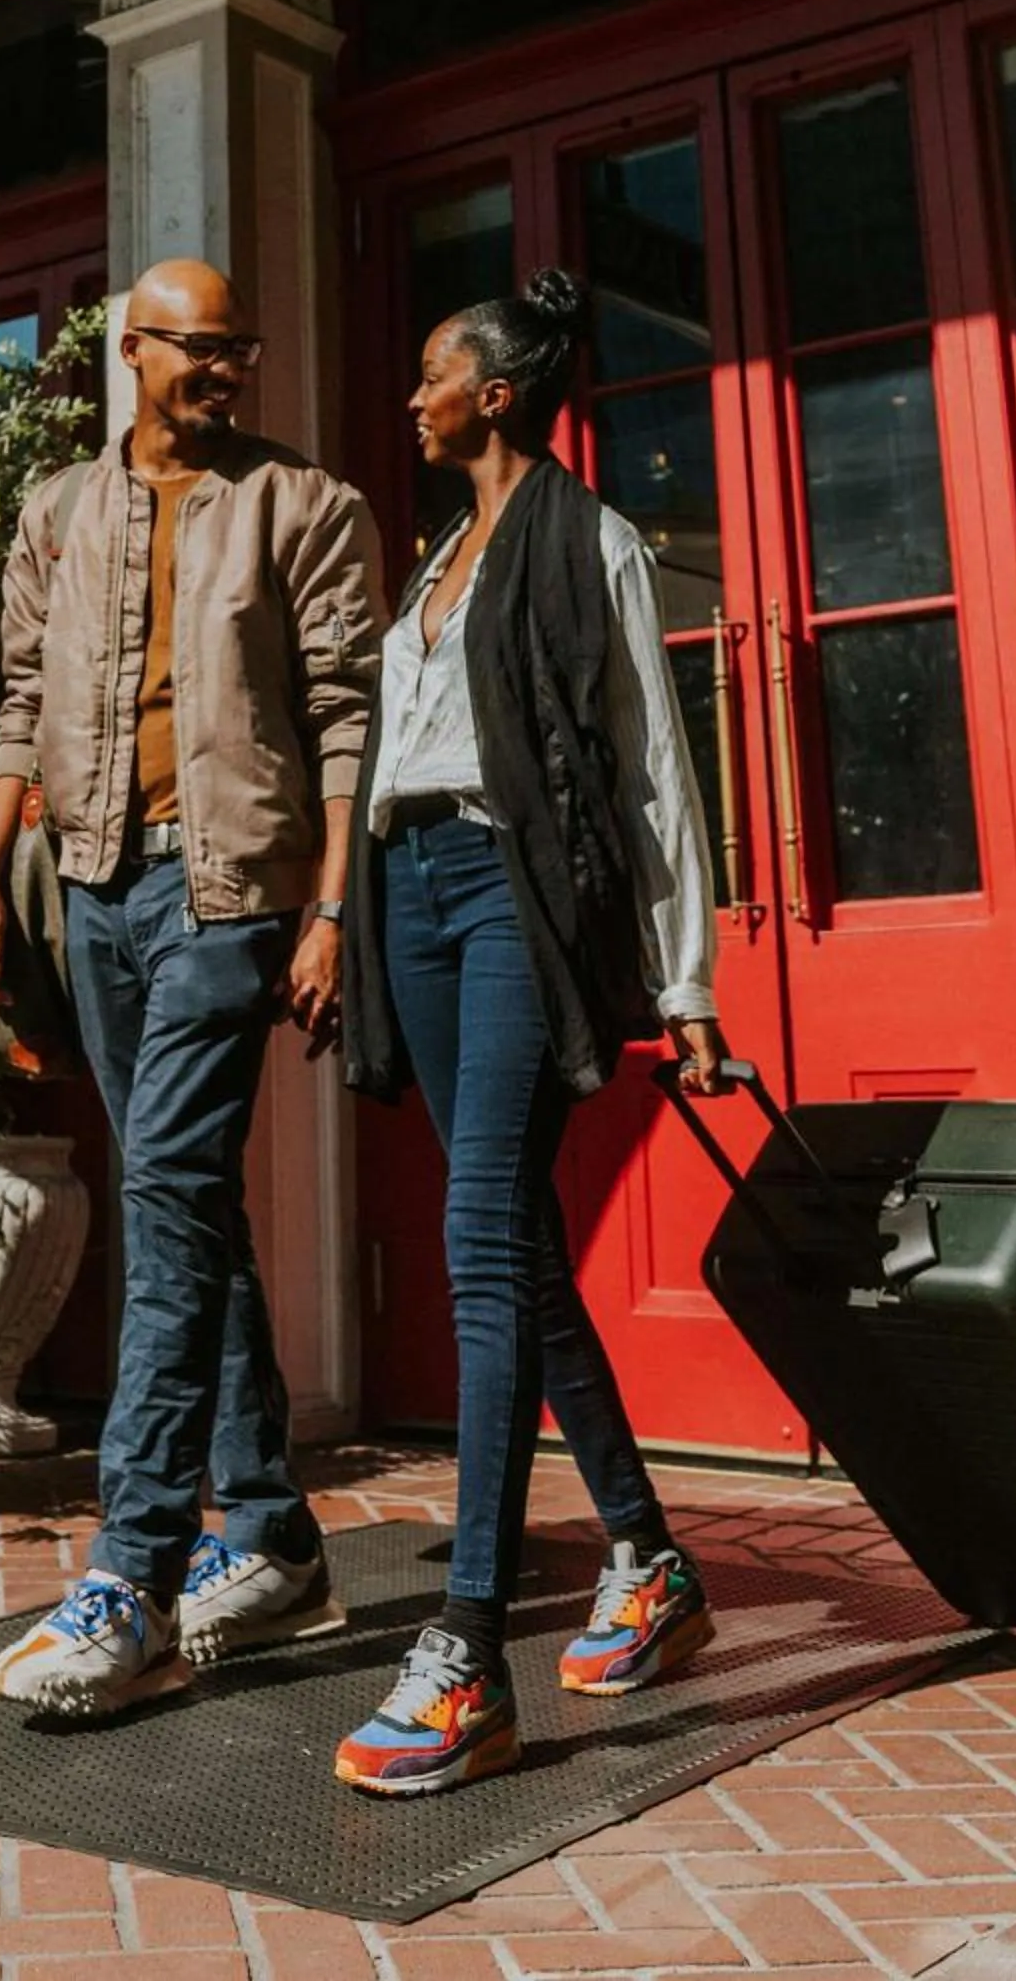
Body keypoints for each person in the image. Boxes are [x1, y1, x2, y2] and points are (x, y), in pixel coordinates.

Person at [0, 259, 386, 1717]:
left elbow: (346, 719)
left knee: (167, 1201)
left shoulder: (307, 507)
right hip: (91, 890)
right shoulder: (55, 516)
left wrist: (333, 908)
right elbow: (22, 703)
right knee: (185, 1198)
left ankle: (134, 1569)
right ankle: (270, 1537)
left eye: (242, 345)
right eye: (203, 346)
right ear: (131, 351)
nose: (228, 369)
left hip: (231, 897)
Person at [334, 266, 724, 1796]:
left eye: (435, 374)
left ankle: (467, 1647)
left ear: (496, 394)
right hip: (410, 895)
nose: (413, 396)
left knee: (482, 1235)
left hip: (513, 895)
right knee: (518, 1241)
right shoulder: (437, 553)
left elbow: (652, 769)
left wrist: (685, 982)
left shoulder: (597, 546)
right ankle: (647, 1555)